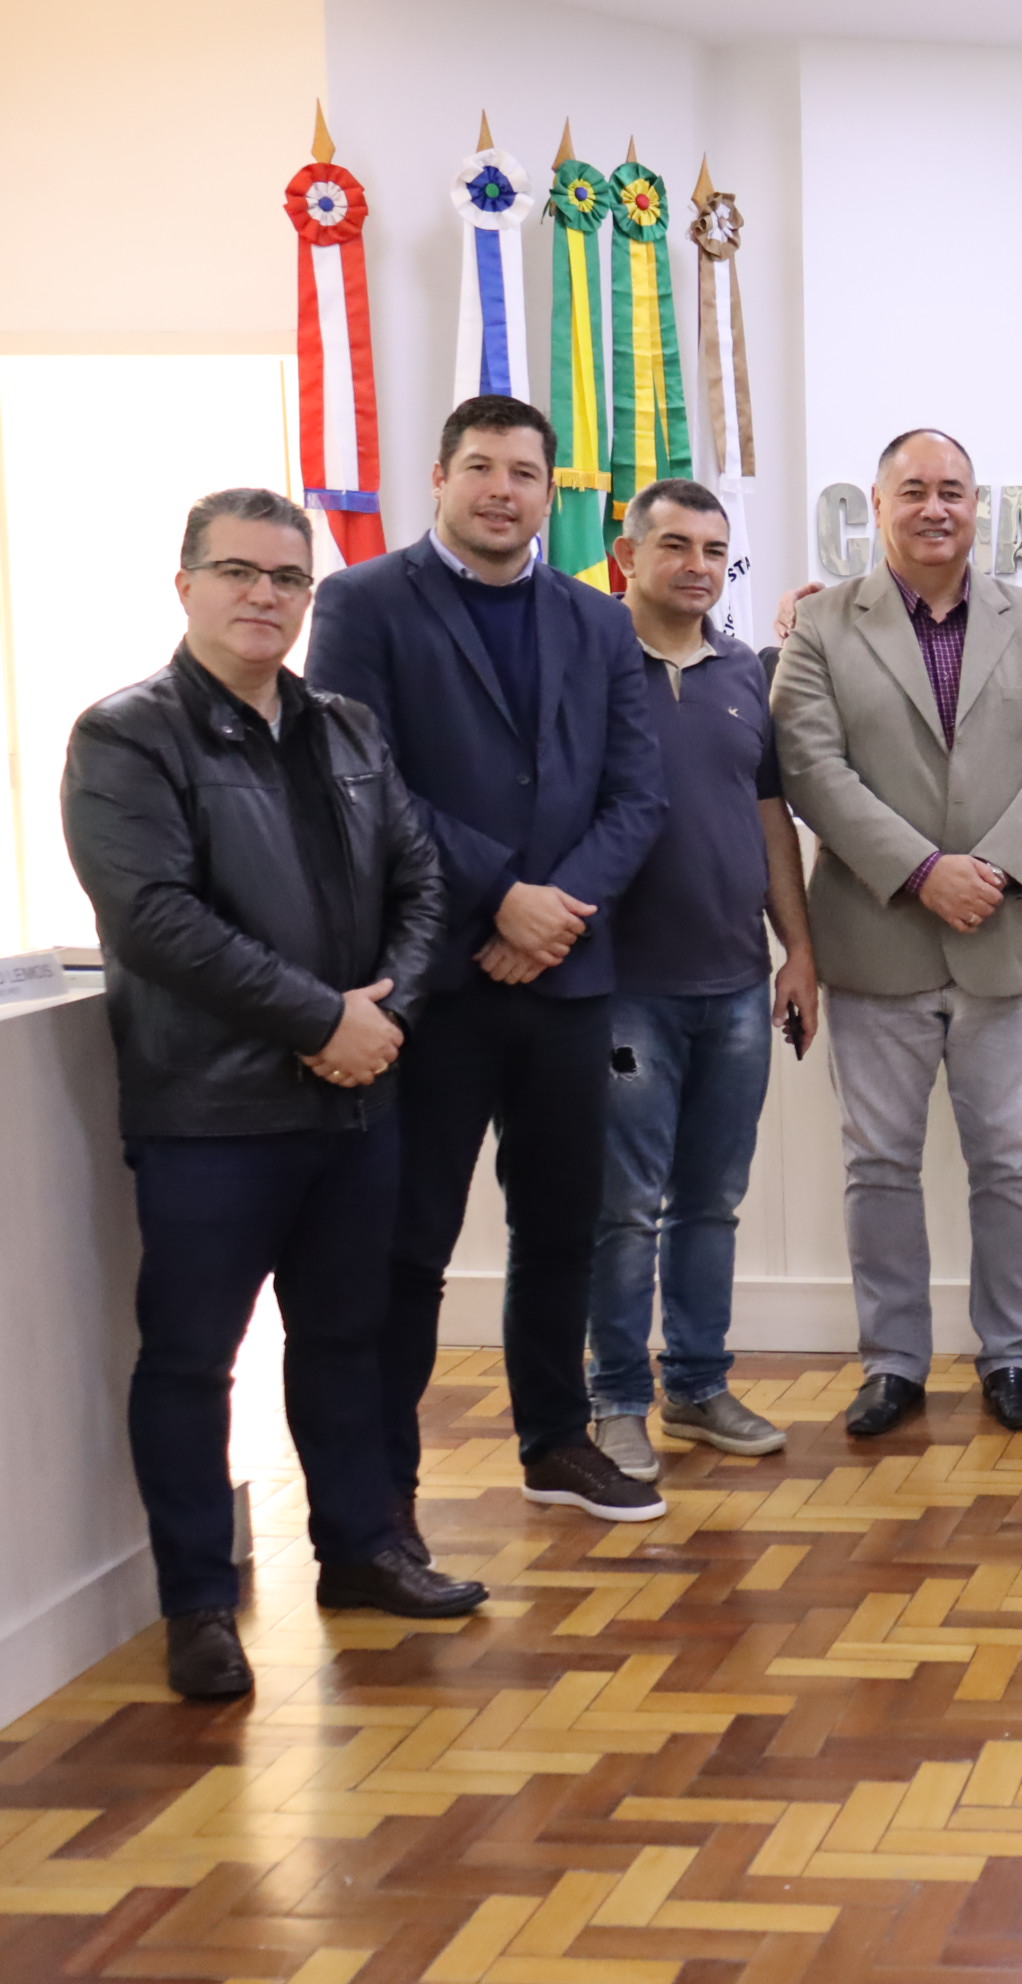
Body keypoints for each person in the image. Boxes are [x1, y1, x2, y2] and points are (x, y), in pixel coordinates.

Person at [63, 489, 489, 1702]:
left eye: (287, 578)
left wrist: (382, 1017)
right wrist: (324, 1020)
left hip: (356, 1104)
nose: (265, 595)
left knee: (348, 1341)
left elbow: (422, 880)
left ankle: (360, 1551)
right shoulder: (127, 737)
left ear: (312, 595)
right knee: (193, 1361)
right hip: (211, 1116)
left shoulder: (348, 728)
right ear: (186, 583)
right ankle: (198, 1600)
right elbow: (154, 920)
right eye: (238, 571)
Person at [308, 396, 669, 1530]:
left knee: (560, 1223)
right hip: (435, 980)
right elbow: (365, 780)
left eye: (524, 471)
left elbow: (637, 790)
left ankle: (554, 1442)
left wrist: (554, 911)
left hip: (567, 977)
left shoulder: (597, 619)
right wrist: (498, 901)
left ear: (549, 488)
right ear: (439, 477)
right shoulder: (363, 603)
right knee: (408, 1240)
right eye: (481, 468)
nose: (503, 489)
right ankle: (385, 1490)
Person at [772, 429, 1022, 1437]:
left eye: (952, 490)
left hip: (1006, 937)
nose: (935, 508)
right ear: (877, 505)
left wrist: (990, 870)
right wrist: (923, 872)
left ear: (976, 504)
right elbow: (809, 766)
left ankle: (1009, 1356)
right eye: (913, 490)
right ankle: (894, 1362)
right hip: (877, 941)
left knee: (1008, 1160)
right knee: (878, 1163)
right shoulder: (824, 624)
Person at [581, 480, 818, 1478]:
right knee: (625, 1205)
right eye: (674, 545)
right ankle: (618, 1401)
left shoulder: (743, 678)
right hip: (625, 990)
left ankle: (699, 1387)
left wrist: (798, 949)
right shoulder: (587, 672)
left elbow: (770, 824)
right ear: (626, 557)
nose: (697, 565)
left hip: (735, 987)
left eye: (715, 550)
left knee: (711, 1199)